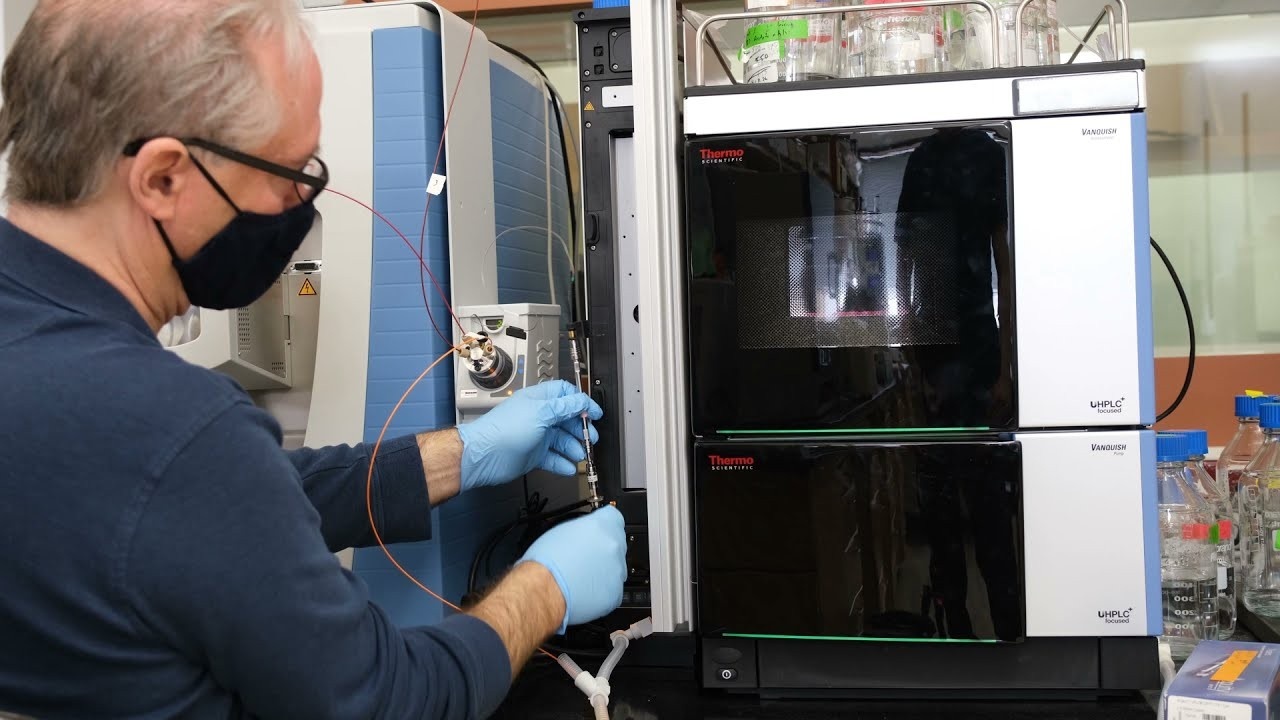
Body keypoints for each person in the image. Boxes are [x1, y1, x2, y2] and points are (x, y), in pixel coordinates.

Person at [0, 1, 626, 718]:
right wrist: (544, 586)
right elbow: (388, 700)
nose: (302, 199)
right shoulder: (173, 432)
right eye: (288, 171)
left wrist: (460, 455)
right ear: (163, 177)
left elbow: (208, 505)